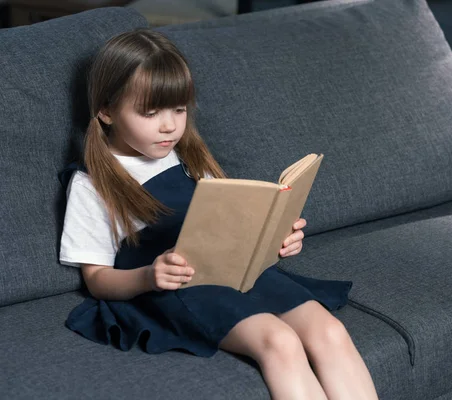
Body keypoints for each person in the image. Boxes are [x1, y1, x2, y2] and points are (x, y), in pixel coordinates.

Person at [58, 28, 379, 400]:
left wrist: (274, 238)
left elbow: (230, 228)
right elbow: (97, 279)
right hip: (176, 288)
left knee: (330, 332)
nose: (170, 126)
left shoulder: (188, 155)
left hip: (233, 273)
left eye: (179, 110)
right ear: (106, 111)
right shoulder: (91, 183)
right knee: (280, 342)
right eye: (150, 112)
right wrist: (149, 276)